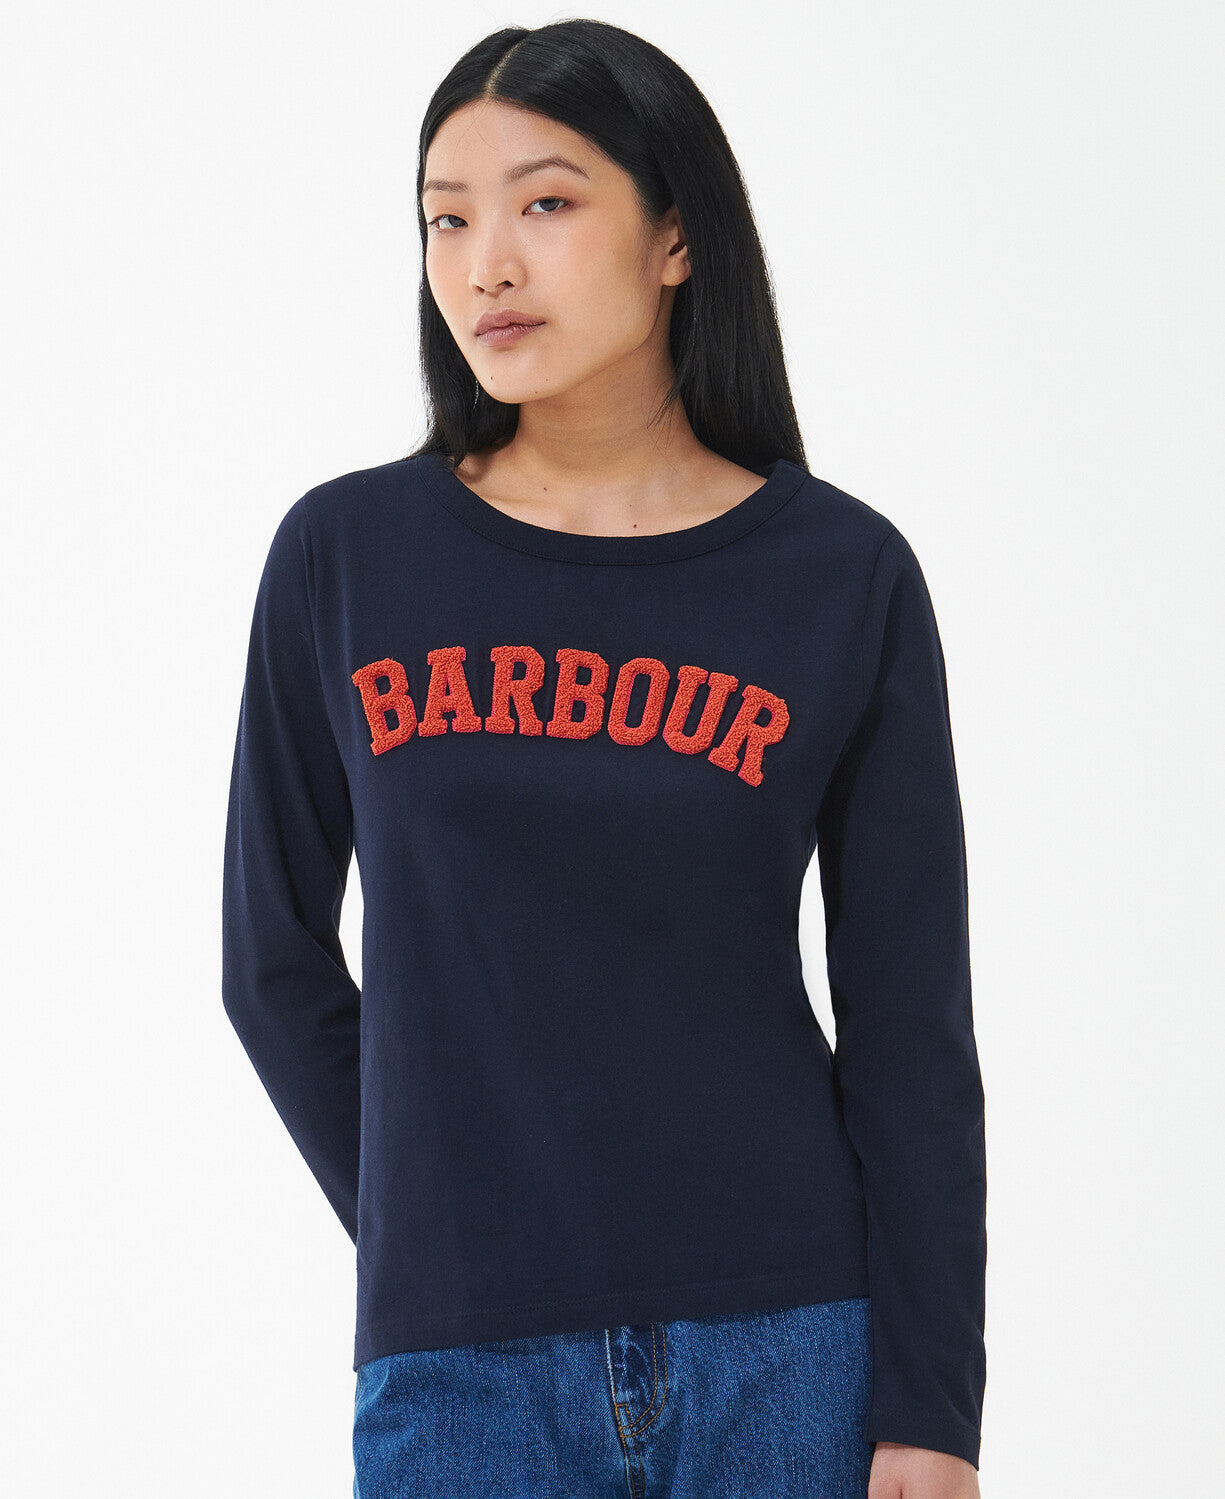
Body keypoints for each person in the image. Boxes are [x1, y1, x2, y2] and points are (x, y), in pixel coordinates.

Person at [221, 19, 987, 1499]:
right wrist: (438, 1226)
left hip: (791, 1345)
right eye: (447, 219)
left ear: (677, 237)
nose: (485, 265)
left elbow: (910, 1024)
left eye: (547, 203)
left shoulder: (841, 577)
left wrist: (932, 1405)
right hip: (464, 1372)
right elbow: (270, 962)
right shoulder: (345, 558)